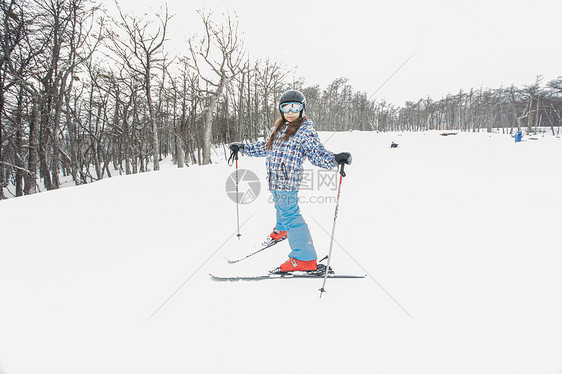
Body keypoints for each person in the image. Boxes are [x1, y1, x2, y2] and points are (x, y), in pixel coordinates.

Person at [229, 90, 351, 273]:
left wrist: (335, 159)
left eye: (296, 107)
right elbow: (264, 147)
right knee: (280, 206)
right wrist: (243, 147)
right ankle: (282, 230)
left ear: (303, 109)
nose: (291, 111)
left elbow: (317, 154)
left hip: (288, 181)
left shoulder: (305, 130)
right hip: (275, 180)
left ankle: (304, 258)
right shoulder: (277, 128)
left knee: (291, 214)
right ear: (281, 110)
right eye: (286, 107)